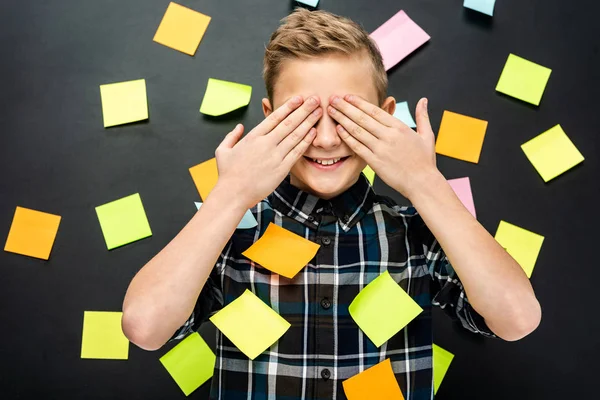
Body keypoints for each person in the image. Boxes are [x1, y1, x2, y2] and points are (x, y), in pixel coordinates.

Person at [122, 8, 541, 400]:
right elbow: (144, 327)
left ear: (387, 116)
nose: (325, 139)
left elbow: (517, 319)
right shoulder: (231, 231)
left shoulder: (416, 233)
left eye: (347, 115)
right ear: (269, 119)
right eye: (302, 116)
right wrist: (232, 193)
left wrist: (424, 182)